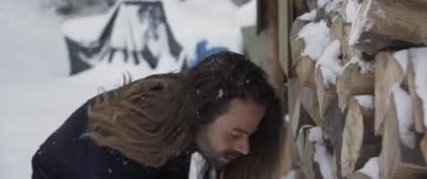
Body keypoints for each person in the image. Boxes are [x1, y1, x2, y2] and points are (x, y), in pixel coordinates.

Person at [31, 52, 284, 179]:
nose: (245, 148)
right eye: (236, 133)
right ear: (203, 113)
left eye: (249, 134)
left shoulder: (183, 109)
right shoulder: (126, 156)